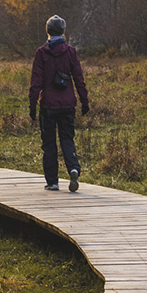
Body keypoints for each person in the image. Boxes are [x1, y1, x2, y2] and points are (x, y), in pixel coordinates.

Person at [28, 14, 90, 191]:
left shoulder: (41, 53)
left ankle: (53, 182)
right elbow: (79, 78)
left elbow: (36, 82)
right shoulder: (70, 52)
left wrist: (32, 106)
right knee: (67, 138)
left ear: (48, 31)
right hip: (68, 104)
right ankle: (73, 168)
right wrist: (84, 102)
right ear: (62, 31)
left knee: (49, 143)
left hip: (48, 105)